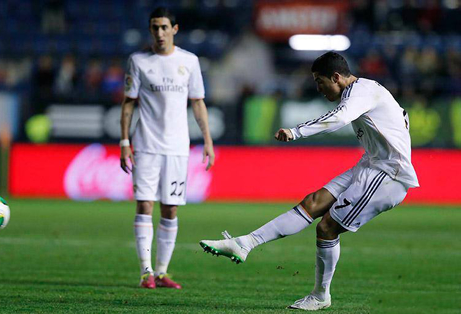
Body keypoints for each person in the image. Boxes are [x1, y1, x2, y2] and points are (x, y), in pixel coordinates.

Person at [200, 52, 418, 310]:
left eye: (320, 81)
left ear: (336, 77)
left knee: (326, 229)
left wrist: (296, 131)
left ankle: (320, 296)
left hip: (388, 175)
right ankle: (243, 244)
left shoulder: (361, 92)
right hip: (371, 163)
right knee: (312, 203)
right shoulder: (363, 90)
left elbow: (339, 118)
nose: (318, 88)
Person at [120, 7, 215, 290]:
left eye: (164, 27)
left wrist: (208, 140)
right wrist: (125, 142)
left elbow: (198, 101)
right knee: (145, 204)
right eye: (154, 27)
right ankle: (145, 272)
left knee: (171, 208)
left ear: (175, 29)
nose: (159, 33)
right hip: (146, 144)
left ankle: (161, 272)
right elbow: (129, 102)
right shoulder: (138, 61)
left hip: (177, 147)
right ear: (150, 30)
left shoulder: (189, 61)